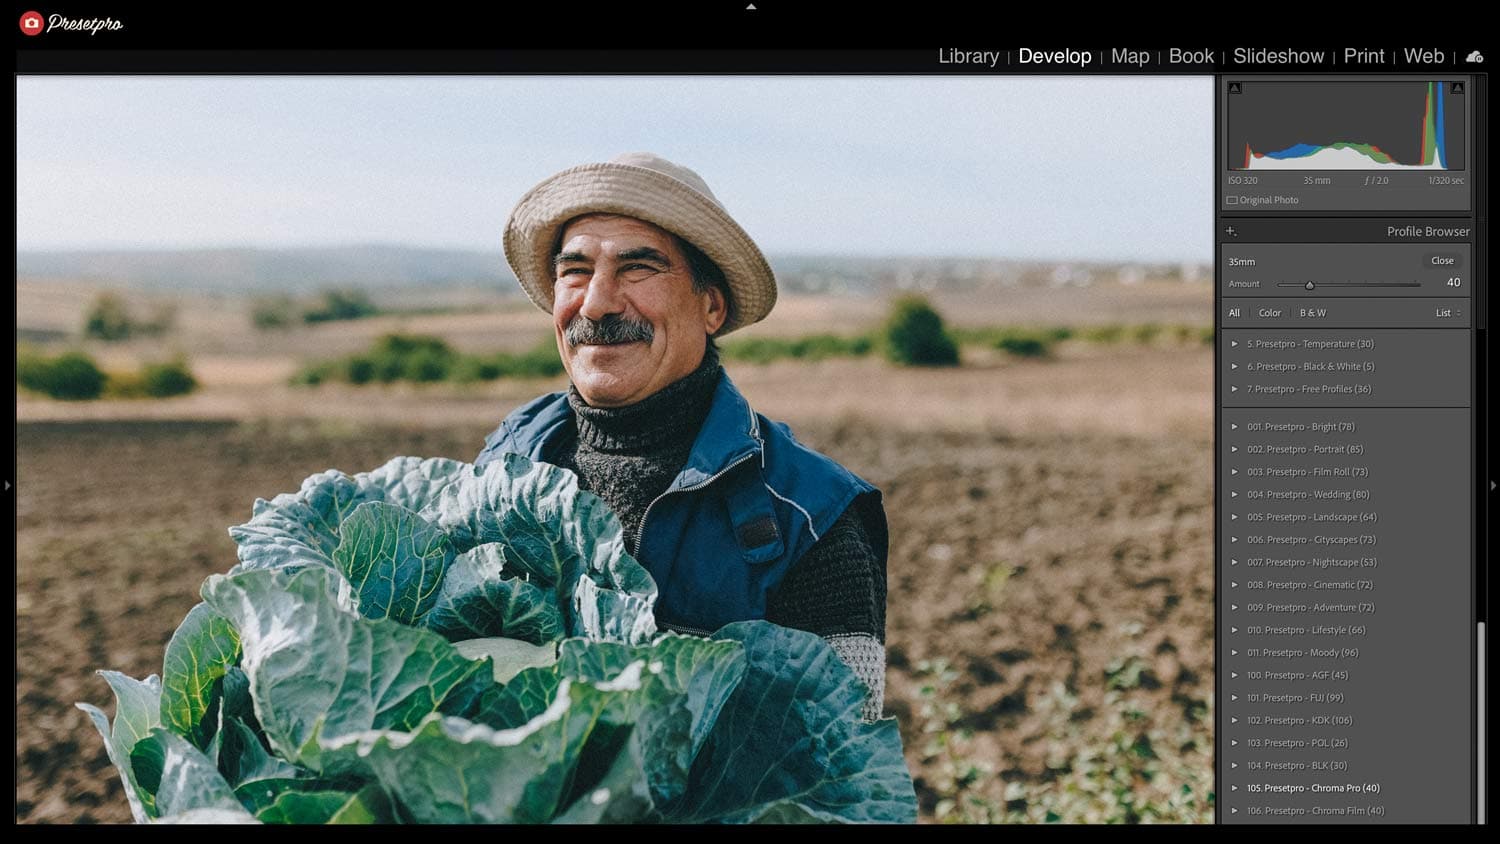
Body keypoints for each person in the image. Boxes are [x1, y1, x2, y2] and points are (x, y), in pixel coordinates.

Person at [476, 152, 889, 720]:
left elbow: (832, 769)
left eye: (638, 267)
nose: (596, 303)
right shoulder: (505, 465)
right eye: (575, 271)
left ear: (711, 306)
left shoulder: (811, 517)